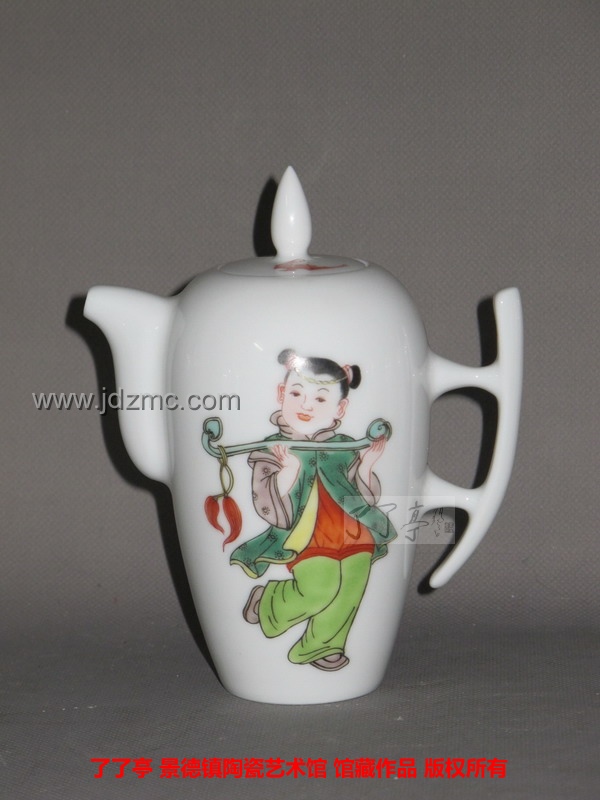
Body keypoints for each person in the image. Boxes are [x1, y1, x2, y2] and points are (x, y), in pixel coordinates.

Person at [230, 349, 397, 671]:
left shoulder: (344, 446)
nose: (306, 406)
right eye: (296, 394)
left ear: (340, 408)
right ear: (281, 394)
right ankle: (267, 603)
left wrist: (366, 465)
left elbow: (364, 495)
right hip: (306, 534)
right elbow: (266, 503)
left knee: (350, 590)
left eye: (320, 399)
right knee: (319, 589)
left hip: (353, 528)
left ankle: (322, 646)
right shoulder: (270, 449)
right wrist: (288, 472)